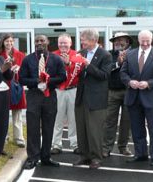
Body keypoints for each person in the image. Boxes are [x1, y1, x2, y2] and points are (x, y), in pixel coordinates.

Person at [120, 30, 153, 166]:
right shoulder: (130, 54)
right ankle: (140, 154)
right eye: (143, 41)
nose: (145, 43)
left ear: (152, 40)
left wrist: (149, 83)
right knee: (137, 128)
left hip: (151, 97)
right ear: (138, 40)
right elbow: (123, 73)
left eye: (148, 41)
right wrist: (129, 82)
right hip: (133, 97)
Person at [20, 34, 66, 170]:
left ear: (48, 42)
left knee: (48, 127)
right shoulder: (28, 59)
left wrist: (48, 81)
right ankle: (33, 157)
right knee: (32, 127)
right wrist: (36, 82)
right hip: (34, 95)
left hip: (49, 95)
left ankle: (46, 157)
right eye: (37, 41)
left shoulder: (56, 59)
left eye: (42, 40)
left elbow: (62, 76)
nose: (39, 43)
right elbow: (22, 79)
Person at [73, 29, 112, 169]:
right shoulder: (81, 53)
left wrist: (88, 65)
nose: (82, 42)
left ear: (94, 40)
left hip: (96, 98)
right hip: (81, 96)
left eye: (84, 39)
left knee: (94, 130)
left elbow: (104, 75)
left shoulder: (105, 55)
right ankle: (84, 156)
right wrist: (68, 64)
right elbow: (76, 73)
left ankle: (96, 158)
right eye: (82, 39)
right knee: (81, 127)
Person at [102, 32, 132, 157]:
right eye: (116, 40)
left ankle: (123, 147)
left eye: (121, 40)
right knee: (109, 121)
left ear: (128, 42)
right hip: (112, 92)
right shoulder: (108, 54)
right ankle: (106, 148)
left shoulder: (134, 54)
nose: (118, 42)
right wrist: (118, 64)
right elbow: (105, 70)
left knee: (127, 121)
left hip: (129, 91)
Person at [51, 33, 81, 155]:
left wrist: (69, 64)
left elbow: (79, 72)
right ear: (58, 43)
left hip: (73, 90)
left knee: (73, 119)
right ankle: (56, 144)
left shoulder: (77, 55)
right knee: (57, 118)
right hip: (58, 90)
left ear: (70, 43)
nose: (63, 45)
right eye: (61, 42)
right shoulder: (52, 55)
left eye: (65, 42)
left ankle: (74, 144)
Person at [0, 34, 26, 148]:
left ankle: (18, 138)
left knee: (17, 114)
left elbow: (25, 70)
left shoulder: (20, 55)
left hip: (16, 86)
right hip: (3, 86)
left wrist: (18, 70)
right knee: (3, 114)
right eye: (7, 41)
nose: (9, 43)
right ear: (3, 42)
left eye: (11, 41)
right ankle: (3, 136)